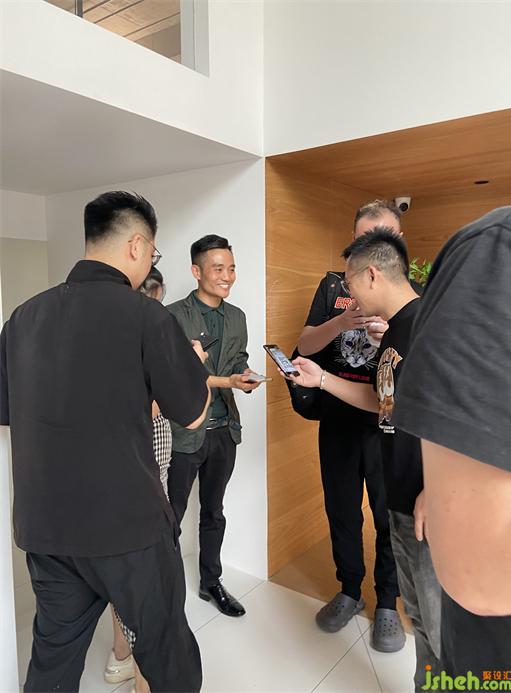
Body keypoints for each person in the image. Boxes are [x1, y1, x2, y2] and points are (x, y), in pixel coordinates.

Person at [0, 191, 211, 692]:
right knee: (166, 655)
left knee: (53, 657)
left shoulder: (22, 318)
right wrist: (196, 367)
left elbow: (7, 412)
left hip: (47, 528)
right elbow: (192, 414)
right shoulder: (146, 317)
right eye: (153, 253)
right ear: (137, 246)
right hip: (128, 528)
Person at [290, 228, 441, 689]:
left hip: (426, 502)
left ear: (372, 274)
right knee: (425, 624)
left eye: (351, 282)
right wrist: (321, 380)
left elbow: (457, 412)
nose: (347, 293)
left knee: (437, 626)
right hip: (403, 495)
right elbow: (384, 403)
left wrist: (437, 487)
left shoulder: (426, 325)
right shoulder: (394, 332)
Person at [392, 205, 511, 690]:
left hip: (429, 503)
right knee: (426, 627)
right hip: (496, 657)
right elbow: (480, 573)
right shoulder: (499, 252)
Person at [297, 200, 404, 651]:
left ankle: (387, 601)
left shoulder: (409, 292)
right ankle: (349, 589)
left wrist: (386, 336)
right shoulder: (334, 285)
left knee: (387, 515)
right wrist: (341, 321)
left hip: (387, 427)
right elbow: (304, 343)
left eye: (383, 235)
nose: (372, 244)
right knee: (341, 509)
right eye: (363, 236)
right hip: (338, 418)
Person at [166, 234, 263, 617]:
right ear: (196, 271)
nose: (227, 276)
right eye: (219, 268)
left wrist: (246, 374)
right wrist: (229, 381)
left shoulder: (236, 316)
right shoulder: (172, 316)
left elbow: (237, 360)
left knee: (214, 512)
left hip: (224, 431)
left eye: (232, 268)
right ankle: (165, 593)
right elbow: (177, 376)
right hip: (184, 433)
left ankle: (211, 582)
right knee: (170, 517)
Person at [104, 266, 173, 693]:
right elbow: (140, 409)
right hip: (139, 473)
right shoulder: (137, 339)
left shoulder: (107, 336)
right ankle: (142, 674)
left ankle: (120, 655)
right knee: (143, 577)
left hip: (126, 471)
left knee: (124, 573)